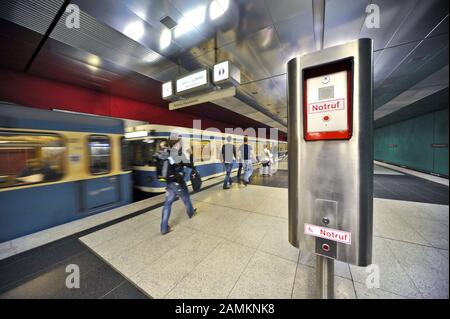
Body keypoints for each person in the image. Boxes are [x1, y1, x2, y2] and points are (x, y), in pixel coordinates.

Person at [157, 136, 197, 235]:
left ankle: (164, 227)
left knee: (167, 203)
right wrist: (191, 154)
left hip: (169, 183)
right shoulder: (178, 154)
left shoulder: (166, 154)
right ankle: (191, 213)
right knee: (186, 198)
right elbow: (191, 165)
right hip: (178, 182)